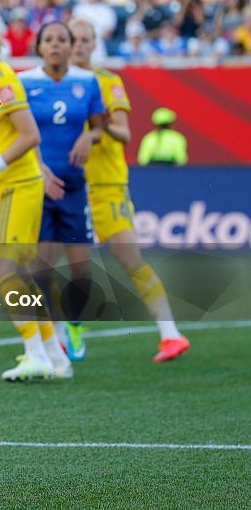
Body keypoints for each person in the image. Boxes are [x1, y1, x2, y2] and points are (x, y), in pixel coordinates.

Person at [0, 13, 72, 381]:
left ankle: (36, 352)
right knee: (15, 271)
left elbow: (29, 136)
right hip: (4, 187)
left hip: (15, 185)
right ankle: (55, 356)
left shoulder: (1, 79)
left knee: (2, 269)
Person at [70, 19, 190, 362]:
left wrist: (99, 123)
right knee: (74, 267)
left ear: (94, 43)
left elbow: (124, 134)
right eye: (73, 39)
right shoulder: (56, 84)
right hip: (71, 187)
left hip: (107, 185)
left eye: (84, 39)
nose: (78, 45)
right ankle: (72, 333)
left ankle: (170, 334)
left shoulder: (107, 81)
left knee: (129, 258)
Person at [19, 21, 105, 362]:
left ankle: (75, 325)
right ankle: (51, 334)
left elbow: (100, 127)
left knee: (82, 270)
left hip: (73, 188)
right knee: (41, 268)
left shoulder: (88, 82)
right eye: (49, 40)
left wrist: (88, 136)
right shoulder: (24, 81)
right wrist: (39, 169)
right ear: (39, 46)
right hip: (38, 186)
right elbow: (18, 132)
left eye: (62, 40)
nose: (55, 45)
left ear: (72, 46)